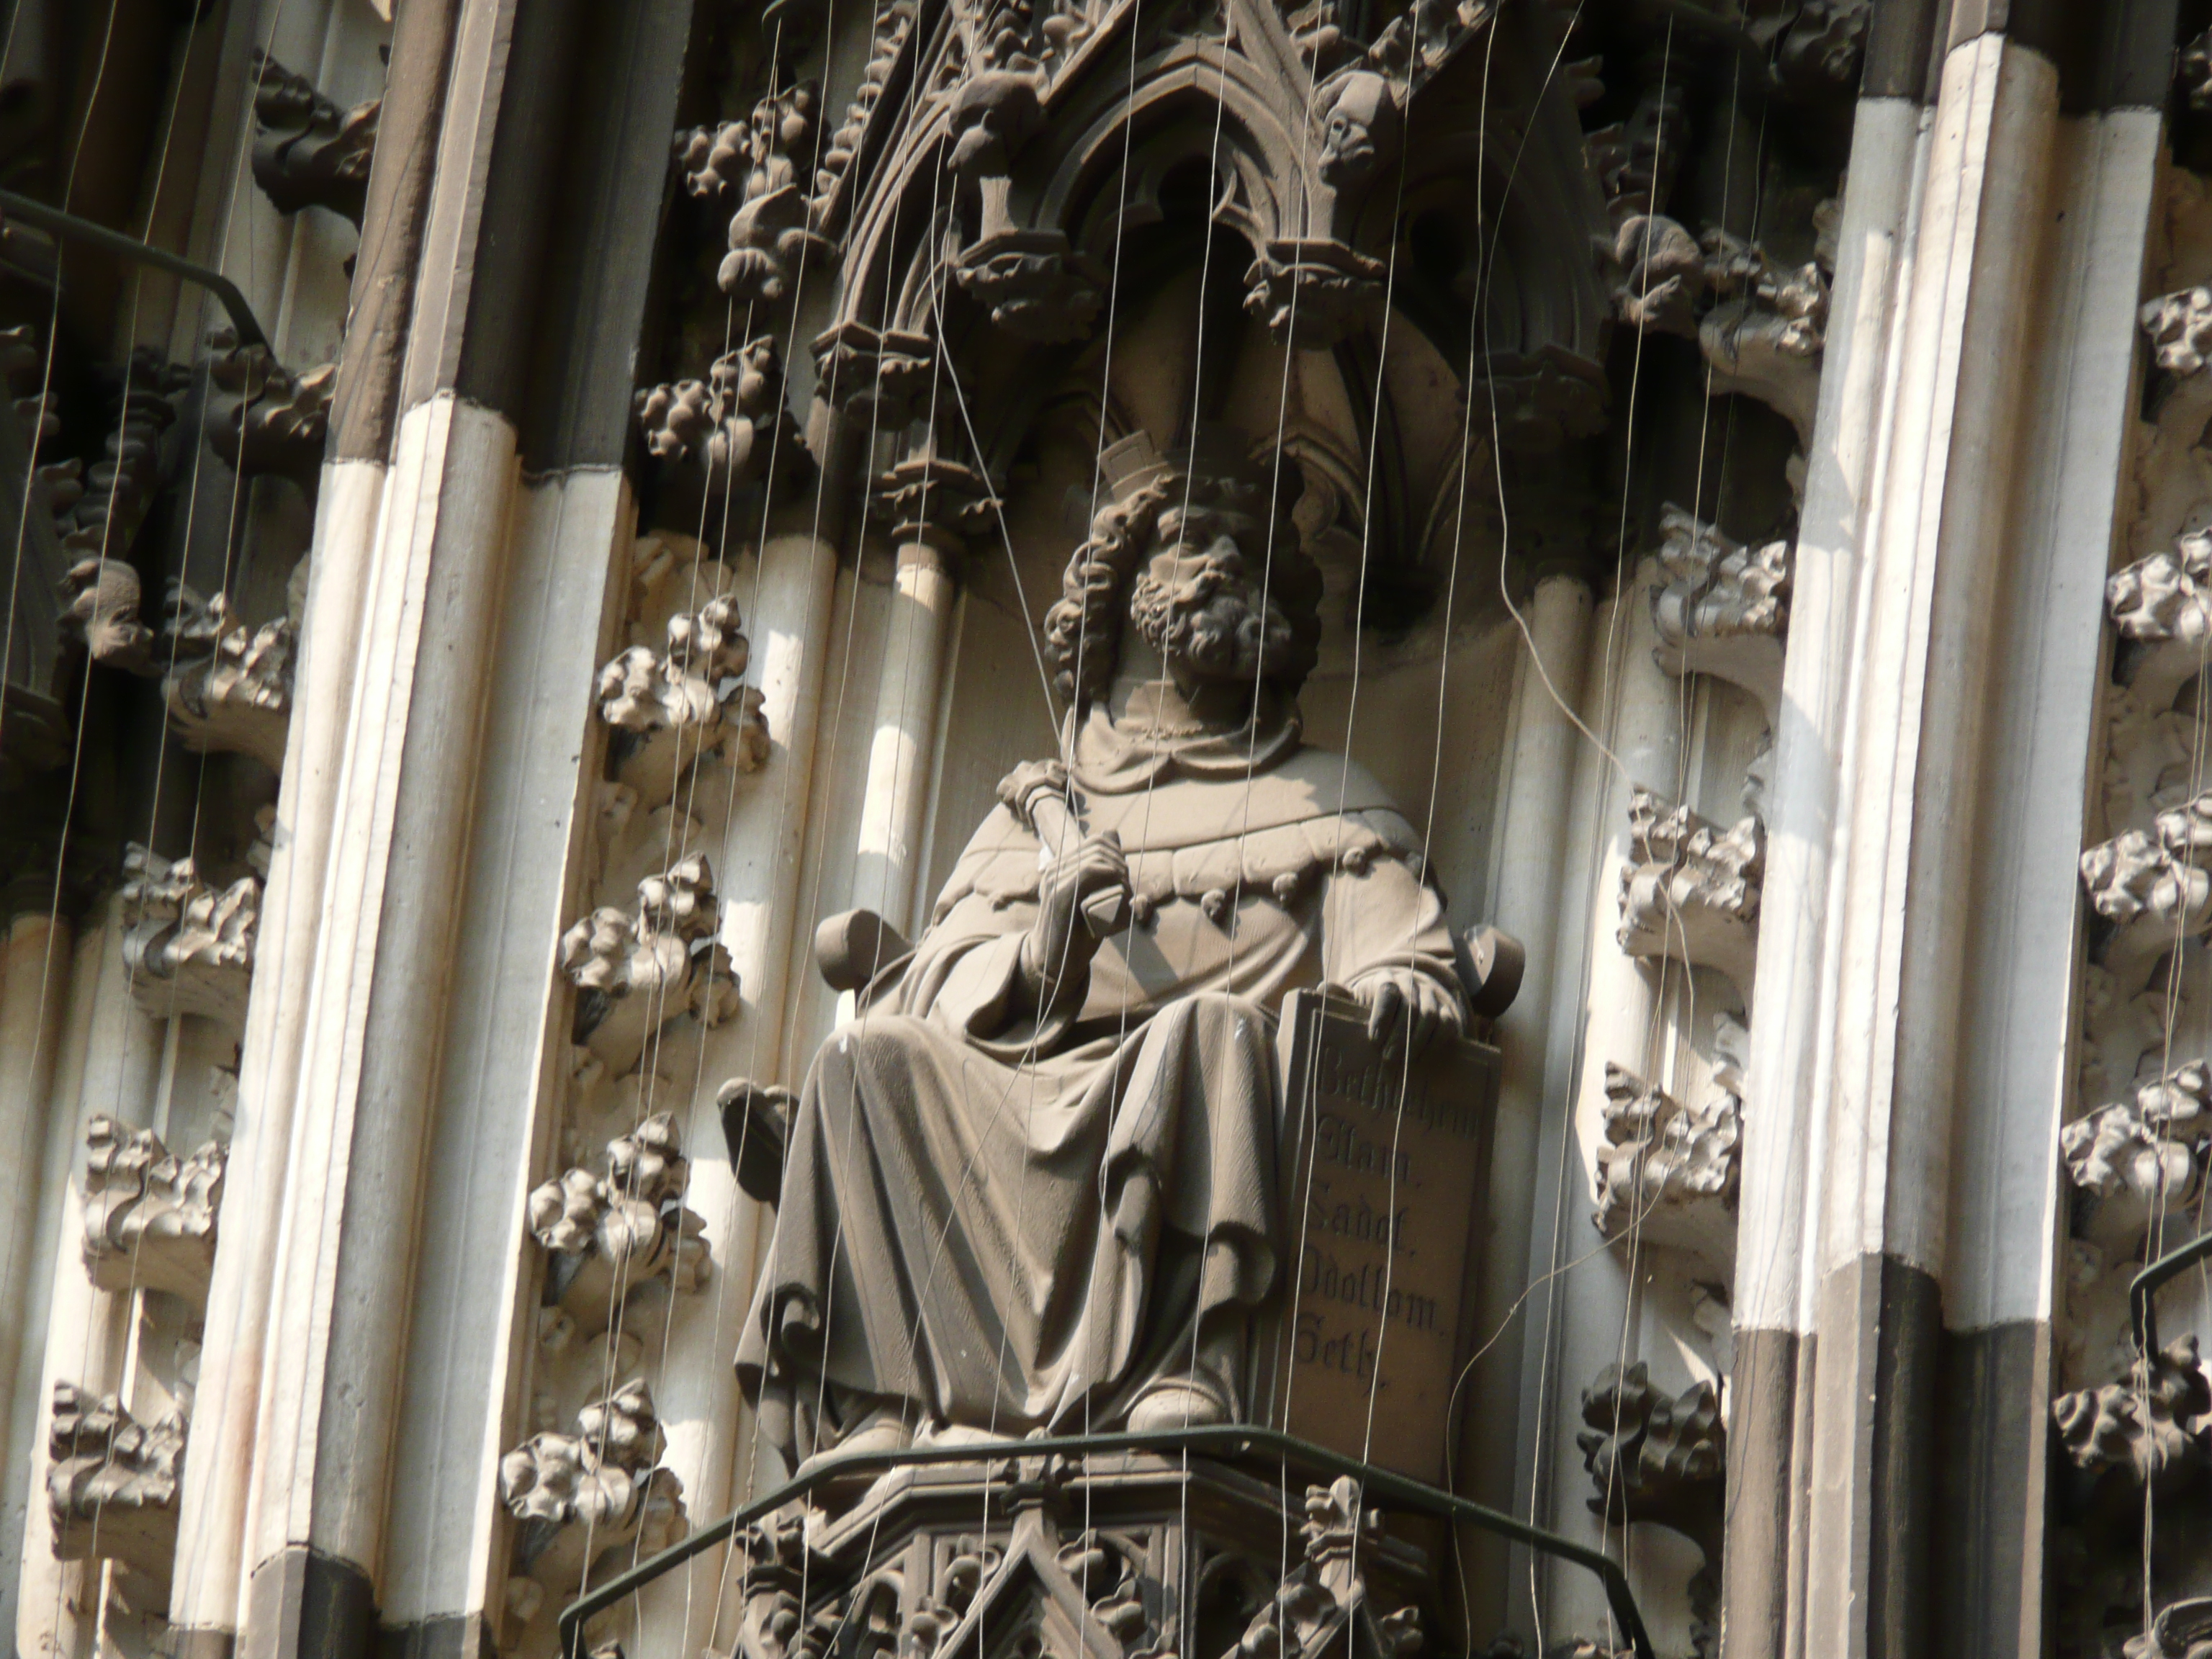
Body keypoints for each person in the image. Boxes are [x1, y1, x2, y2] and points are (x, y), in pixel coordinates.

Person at [735, 426, 1467, 1471]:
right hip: (1022, 1084)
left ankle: (1187, 1364)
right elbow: (928, 980)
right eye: (1193, 540)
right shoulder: (1042, 808)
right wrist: (1045, 954)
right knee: (868, 1060)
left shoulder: (1331, 804)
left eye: (1250, 555)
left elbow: (1406, 955)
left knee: (1204, 1032)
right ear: (1121, 588)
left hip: (1190, 1092)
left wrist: (1409, 984)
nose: (1226, 565)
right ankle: (883, 1393)